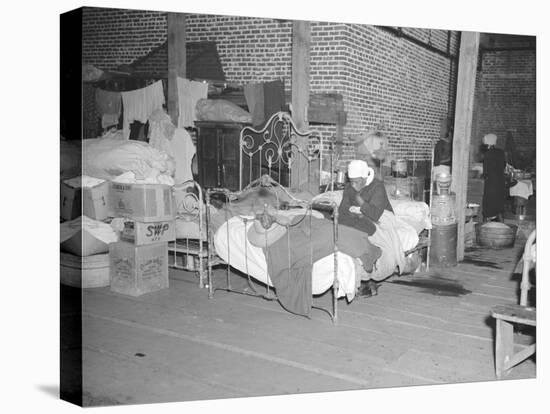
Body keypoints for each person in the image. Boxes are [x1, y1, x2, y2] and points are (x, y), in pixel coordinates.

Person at [338, 160, 413, 297]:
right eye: (351, 181)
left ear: (365, 178)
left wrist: (360, 203)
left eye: (357, 182)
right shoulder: (349, 187)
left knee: (371, 233)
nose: (354, 185)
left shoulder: (377, 186)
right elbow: (342, 210)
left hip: (381, 217)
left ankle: (369, 275)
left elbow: (375, 214)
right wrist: (353, 213)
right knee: (341, 225)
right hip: (359, 216)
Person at [482, 133, 506, 221]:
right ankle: (501, 222)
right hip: (500, 182)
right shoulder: (501, 152)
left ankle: (486, 223)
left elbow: (485, 171)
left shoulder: (488, 154)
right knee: (498, 205)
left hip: (491, 183)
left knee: (488, 205)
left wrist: (484, 176)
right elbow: (504, 165)